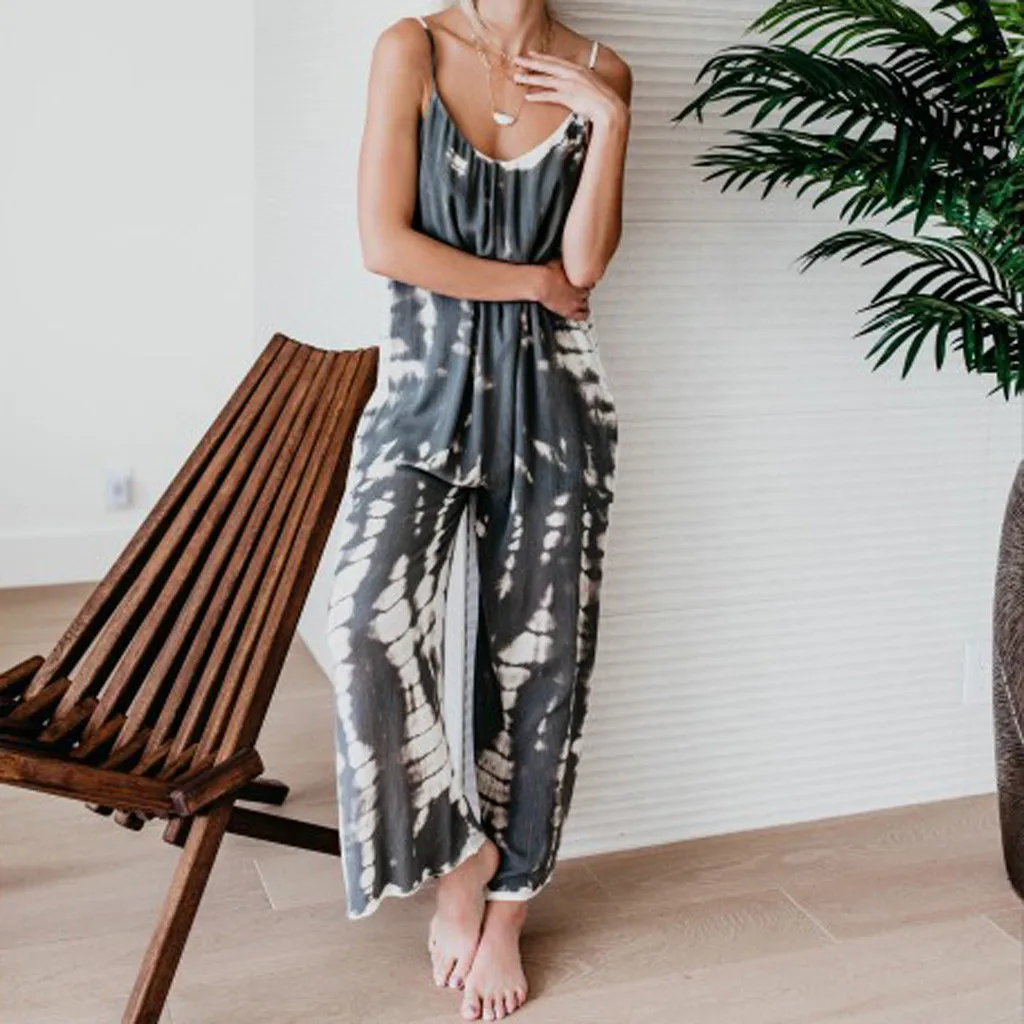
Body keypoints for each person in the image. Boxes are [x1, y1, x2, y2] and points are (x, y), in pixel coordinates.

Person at [325, 1, 632, 1019]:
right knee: (363, 622)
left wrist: (608, 120)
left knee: (542, 668)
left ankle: (508, 909)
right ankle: (460, 854)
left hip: (555, 402)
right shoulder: (410, 48)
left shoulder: (601, 73)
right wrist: (528, 281)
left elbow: (584, 269)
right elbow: (385, 243)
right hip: (422, 395)